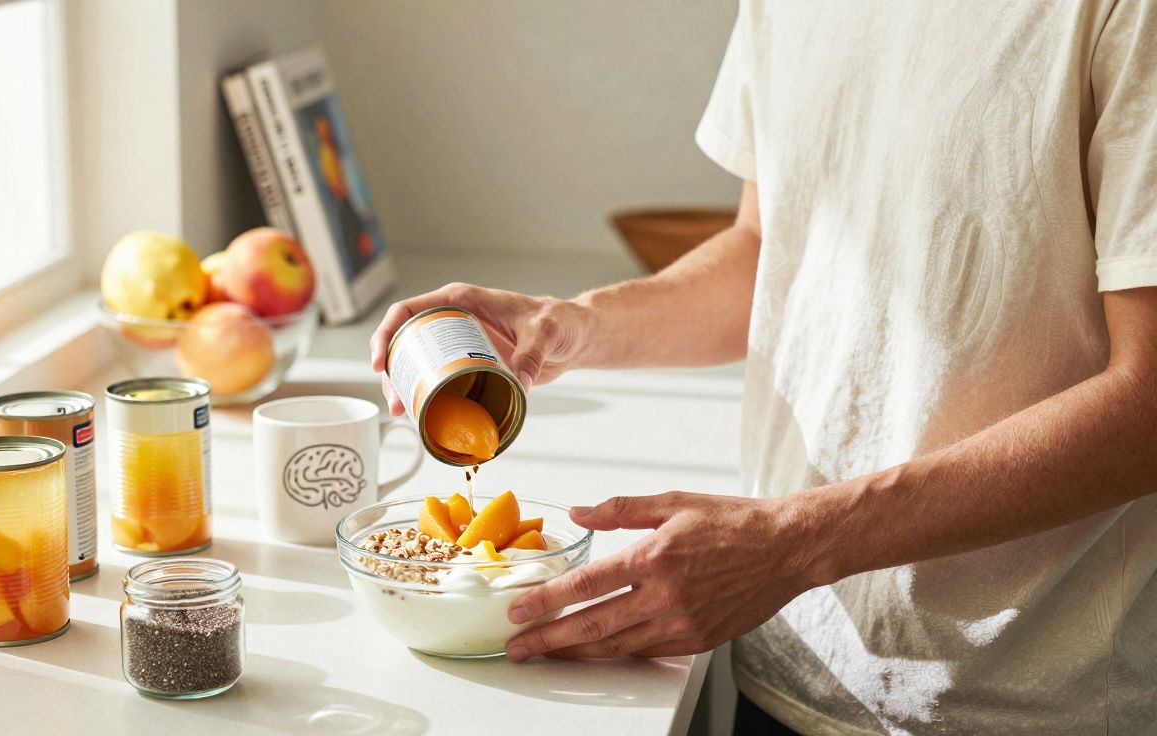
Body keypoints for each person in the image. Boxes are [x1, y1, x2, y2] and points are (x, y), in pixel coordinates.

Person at [370, 1, 1157, 733]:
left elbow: (1147, 403)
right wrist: (571, 325)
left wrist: (792, 543)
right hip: (784, 663)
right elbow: (769, 249)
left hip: (1026, 705)